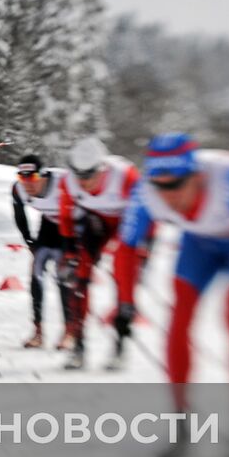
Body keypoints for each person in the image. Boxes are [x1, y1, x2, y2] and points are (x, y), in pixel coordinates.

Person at [113, 133, 229, 457]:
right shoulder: (146, 192)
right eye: (160, 186)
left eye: (177, 185)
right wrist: (124, 303)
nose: (169, 196)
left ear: (198, 176)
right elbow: (125, 248)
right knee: (178, 321)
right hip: (200, 247)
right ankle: (181, 423)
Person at [57, 136, 145, 370]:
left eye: (90, 176)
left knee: (124, 280)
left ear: (103, 169)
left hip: (127, 224)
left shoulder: (126, 176)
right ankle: (79, 347)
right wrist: (68, 252)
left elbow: (147, 213)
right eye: (79, 175)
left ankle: (119, 346)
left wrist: (146, 249)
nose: (84, 182)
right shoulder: (69, 182)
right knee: (78, 278)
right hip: (96, 224)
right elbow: (66, 218)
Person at [11, 155, 73, 352]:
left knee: (64, 281)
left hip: (71, 230)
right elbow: (20, 216)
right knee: (36, 278)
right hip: (47, 228)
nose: (28, 184)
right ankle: (38, 332)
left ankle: (69, 332)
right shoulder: (18, 189)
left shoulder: (65, 183)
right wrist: (29, 241)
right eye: (23, 178)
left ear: (44, 176)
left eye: (33, 178)